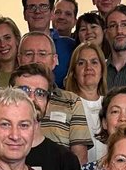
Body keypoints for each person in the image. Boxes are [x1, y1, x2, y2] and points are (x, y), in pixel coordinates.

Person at [18, 31, 94, 162]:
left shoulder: (72, 101)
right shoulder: (4, 100)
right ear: (19, 59)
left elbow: (79, 158)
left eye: (42, 54)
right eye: (29, 54)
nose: (35, 60)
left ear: (54, 60)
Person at [64, 40, 108, 162]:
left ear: (102, 70)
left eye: (94, 62)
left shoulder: (111, 105)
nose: (88, 68)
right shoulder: (66, 105)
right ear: (74, 72)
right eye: (81, 63)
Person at [22, 0, 74, 86]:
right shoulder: (18, 48)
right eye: (32, 7)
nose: (37, 11)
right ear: (24, 14)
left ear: (52, 13)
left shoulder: (70, 46)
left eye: (43, 7)